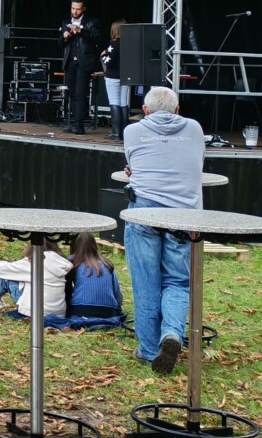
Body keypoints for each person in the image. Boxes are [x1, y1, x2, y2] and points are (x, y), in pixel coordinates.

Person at [122, 85, 204, 374]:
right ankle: (171, 333)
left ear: (145, 111)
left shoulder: (132, 131)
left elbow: (134, 164)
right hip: (183, 215)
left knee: (145, 281)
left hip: (144, 210)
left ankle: (147, 349)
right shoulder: (194, 129)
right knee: (177, 281)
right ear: (177, 110)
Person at [0, 240, 74, 320]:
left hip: (34, 312)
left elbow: (0, 269)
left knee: (6, 277)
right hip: (59, 313)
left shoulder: (34, 261)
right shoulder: (62, 262)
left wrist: (2, 262)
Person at [60, 0, 102, 134]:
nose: (75, 11)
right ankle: (73, 122)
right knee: (72, 93)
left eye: (78, 9)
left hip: (84, 62)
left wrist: (80, 30)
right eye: (73, 8)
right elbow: (60, 43)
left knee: (80, 93)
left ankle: (79, 124)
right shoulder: (66, 22)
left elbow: (97, 38)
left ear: (83, 9)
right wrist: (64, 37)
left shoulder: (92, 22)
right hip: (70, 62)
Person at [64, 233, 124, 324]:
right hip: (109, 312)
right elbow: (117, 294)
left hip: (80, 310)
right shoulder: (106, 263)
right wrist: (117, 309)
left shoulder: (72, 262)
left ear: (74, 245)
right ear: (94, 244)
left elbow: (67, 291)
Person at [101, 19, 127, 141]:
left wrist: (103, 56)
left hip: (113, 76)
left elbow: (109, 63)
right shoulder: (129, 44)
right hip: (125, 76)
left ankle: (116, 133)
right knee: (123, 103)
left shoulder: (114, 44)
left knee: (114, 102)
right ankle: (123, 132)